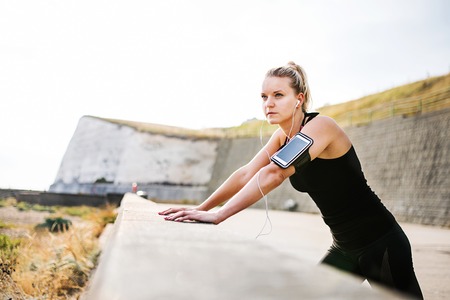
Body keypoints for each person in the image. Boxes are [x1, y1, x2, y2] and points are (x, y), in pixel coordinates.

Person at [159, 61, 423, 298]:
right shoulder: (282, 138)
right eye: (263, 97)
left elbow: (274, 173)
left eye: (278, 95)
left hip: (382, 242)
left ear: (299, 98)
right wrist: (200, 209)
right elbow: (246, 173)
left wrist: (220, 215)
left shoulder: (322, 127)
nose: (268, 104)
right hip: (345, 248)